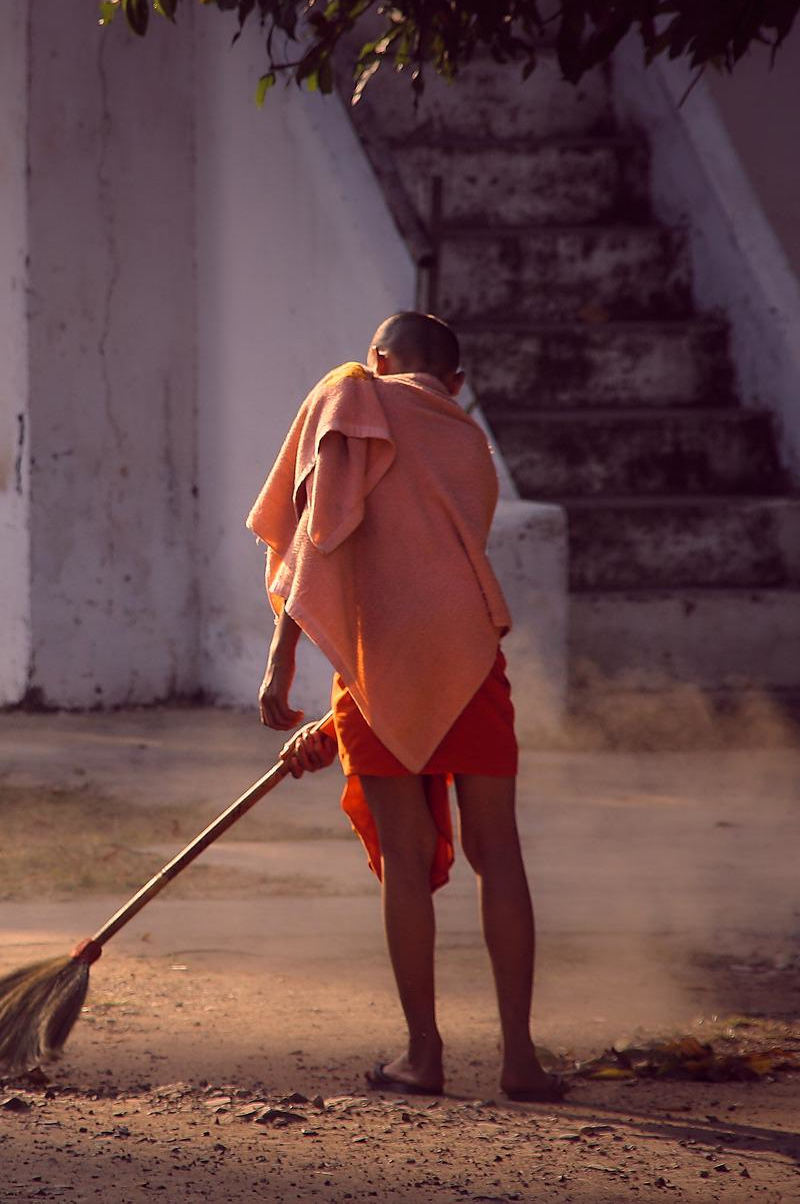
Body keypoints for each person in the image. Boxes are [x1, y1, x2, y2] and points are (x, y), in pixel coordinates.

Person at [245, 312, 565, 1102]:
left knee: (404, 858)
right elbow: (430, 564)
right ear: (455, 383)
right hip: (468, 653)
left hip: (377, 654)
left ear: (378, 359)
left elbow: (320, 532)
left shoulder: (350, 396)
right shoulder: (466, 437)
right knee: (498, 850)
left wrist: (283, 656)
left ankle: (423, 1056)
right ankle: (520, 1060)